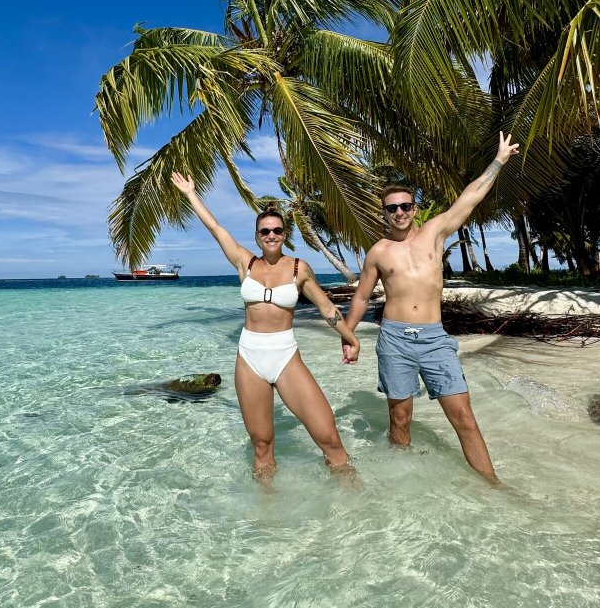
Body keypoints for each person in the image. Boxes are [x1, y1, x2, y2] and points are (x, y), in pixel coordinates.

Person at [343, 132, 521, 482]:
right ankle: (405, 485)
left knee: (464, 417)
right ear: (384, 213)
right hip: (394, 340)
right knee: (400, 420)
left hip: (435, 339)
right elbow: (362, 296)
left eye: (405, 206)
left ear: (415, 209)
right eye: (392, 208)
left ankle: (493, 485)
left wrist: (498, 160)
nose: (399, 212)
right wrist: (348, 335)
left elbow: (470, 197)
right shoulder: (378, 252)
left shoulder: (435, 233)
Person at [170, 172, 360, 478]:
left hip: (285, 355)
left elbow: (326, 308)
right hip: (250, 357)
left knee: (329, 438)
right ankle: (267, 514)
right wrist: (191, 193)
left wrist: (351, 337)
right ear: (257, 236)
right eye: (265, 231)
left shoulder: (300, 269)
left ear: (284, 235)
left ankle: (353, 497)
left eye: (277, 230)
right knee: (261, 444)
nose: (271, 235)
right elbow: (215, 228)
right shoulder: (245, 262)